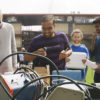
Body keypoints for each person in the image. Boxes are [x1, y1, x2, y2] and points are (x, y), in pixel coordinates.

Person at [90, 17, 100, 82]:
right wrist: (93, 40)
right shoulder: (97, 38)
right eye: (95, 27)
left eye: (98, 26)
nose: (96, 29)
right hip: (97, 70)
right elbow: (92, 52)